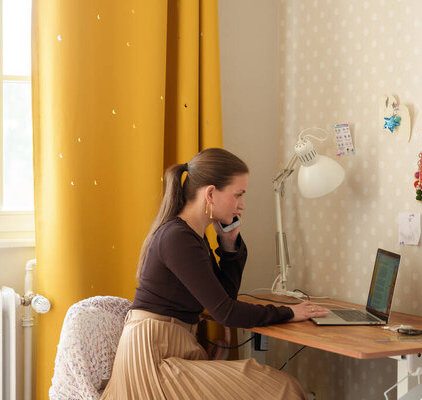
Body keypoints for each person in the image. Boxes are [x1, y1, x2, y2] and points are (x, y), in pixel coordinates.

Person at [101, 148, 328, 400]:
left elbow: (223, 299)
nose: (242, 205)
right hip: (152, 359)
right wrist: (289, 312)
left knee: (274, 386)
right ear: (210, 193)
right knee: (281, 388)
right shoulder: (178, 238)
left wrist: (229, 245)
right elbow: (227, 313)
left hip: (170, 349)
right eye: (238, 195)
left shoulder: (193, 236)